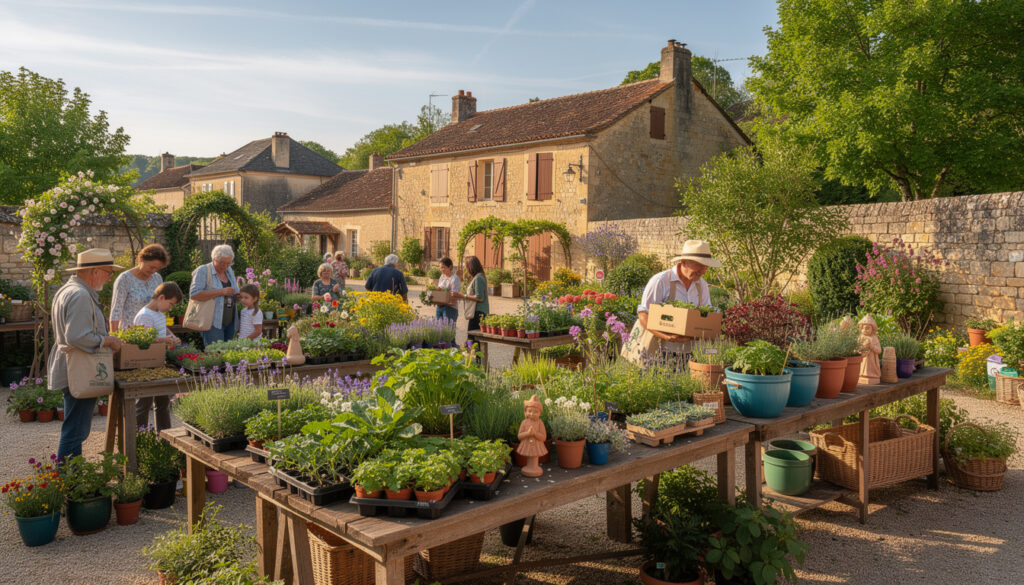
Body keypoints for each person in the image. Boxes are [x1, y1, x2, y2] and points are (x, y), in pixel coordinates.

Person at [50, 248, 124, 461]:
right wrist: (107, 340)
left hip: (73, 365)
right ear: (94, 272)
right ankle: (71, 485)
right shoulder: (81, 295)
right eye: (108, 272)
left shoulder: (68, 290)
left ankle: (71, 481)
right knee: (75, 431)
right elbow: (77, 336)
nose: (110, 278)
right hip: (79, 368)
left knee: (75, 427)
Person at [634, 240, 721, 361]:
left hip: (694, 352)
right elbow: (644, 314)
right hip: (662, 352)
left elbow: (707, 314)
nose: (703, 270)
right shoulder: (661, 281)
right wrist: (666, 336)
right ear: (684, 262)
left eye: (706, 266)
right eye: (699, 265)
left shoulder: (702, 285)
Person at [132, 282, 183, 431]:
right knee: (144, 403)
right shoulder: (144, 315)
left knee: (163, 402)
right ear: (161, 297)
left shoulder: (158, 313)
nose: (171, 308)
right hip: (147, 365)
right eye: (171, 304)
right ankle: (138, 437)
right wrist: (164, 340)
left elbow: (162, 327)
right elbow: (143, 340)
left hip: (159, 363)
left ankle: (166, 437)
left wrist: (172, 336)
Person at [188, 244, 240, 348]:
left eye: (228, 263)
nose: (225, 266)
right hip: (212, 322)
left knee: (228, 356)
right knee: (215, 354)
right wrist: (221, 291)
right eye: (222, 263)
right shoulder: (203, 270)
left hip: (230, 321)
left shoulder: (229, 271)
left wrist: (243, 295)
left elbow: (234, 292)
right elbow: (194, 294)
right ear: (213, 259)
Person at [109, 243, 168, 332]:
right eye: (151, 267)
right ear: (141, 260)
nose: (154, 271)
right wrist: (114, 337)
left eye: (157, 268)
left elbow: (159, 308)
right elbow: (116, 311)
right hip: (130, 335)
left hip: (153, 334)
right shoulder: (125, 278)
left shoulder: (157, 278)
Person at [450, 255, 488, 331]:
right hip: (477, 312)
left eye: (466, 266)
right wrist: (459, 296)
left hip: (478, 313)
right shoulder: (477, 277)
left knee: (471, 338)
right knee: (473, 339)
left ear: (471, 267)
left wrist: (463, 295)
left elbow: (479, 298)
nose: (465, 269)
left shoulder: (478, 278)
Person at [434, 257, 460, 323]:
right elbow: (439, 290)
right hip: (440, 307)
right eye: (440, 267)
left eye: (443, 267)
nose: (441, 269)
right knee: (439, 330)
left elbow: (454, 297)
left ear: (450, 267)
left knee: (448, 331)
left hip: (450, 308)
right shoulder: (442, 276)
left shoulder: (455, 279)